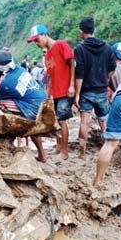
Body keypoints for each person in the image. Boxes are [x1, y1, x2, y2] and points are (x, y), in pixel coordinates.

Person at [0, 50, 48, 162]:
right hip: (43, 102)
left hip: (32, 108)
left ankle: (17, 127)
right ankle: (42, 155)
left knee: (1, 102)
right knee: (33, 128)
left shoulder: (3, 82)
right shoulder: (21, 70)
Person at [28, 24, 76, 160]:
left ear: (45, 35)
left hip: (65, 90)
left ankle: (65, 152)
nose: (37, 43)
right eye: (35, 42)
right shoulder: (47, 54)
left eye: (37, 40)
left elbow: (72, 63)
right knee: (55, 122)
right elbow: (49, 76)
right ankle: (59, 147)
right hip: (55, 91)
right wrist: (47, 94)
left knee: (62, 120)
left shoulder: (61, 45)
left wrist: (72, 85)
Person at [74, 17, 117, 158]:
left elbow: (79, 73)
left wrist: (77, 94)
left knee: (84, 123)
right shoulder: (107, 47)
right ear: (94, 30)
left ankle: (82, 152)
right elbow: (112, 68)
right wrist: (105, 78)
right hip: (102, 91)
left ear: (82, 32)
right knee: (103, 121)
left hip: (86, 91)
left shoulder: (80, 49)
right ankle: (108, 150)